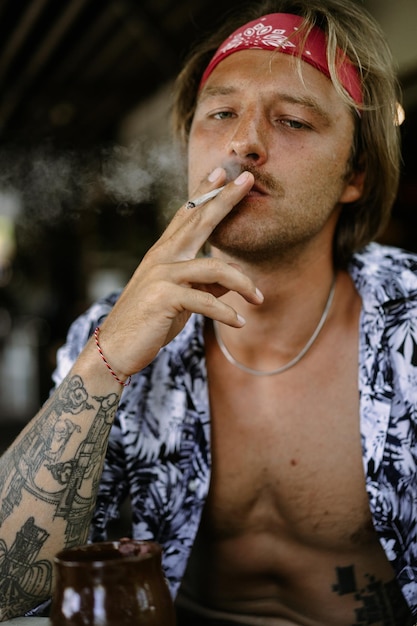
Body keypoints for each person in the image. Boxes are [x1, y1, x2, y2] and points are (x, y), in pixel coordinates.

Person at [0, 0, 415, 623]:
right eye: (220, 113)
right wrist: (102, 363)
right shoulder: (108, 331)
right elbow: (7, 591)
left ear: (354, 172)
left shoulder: (409, 319)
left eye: (295, 121)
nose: (244, 142)